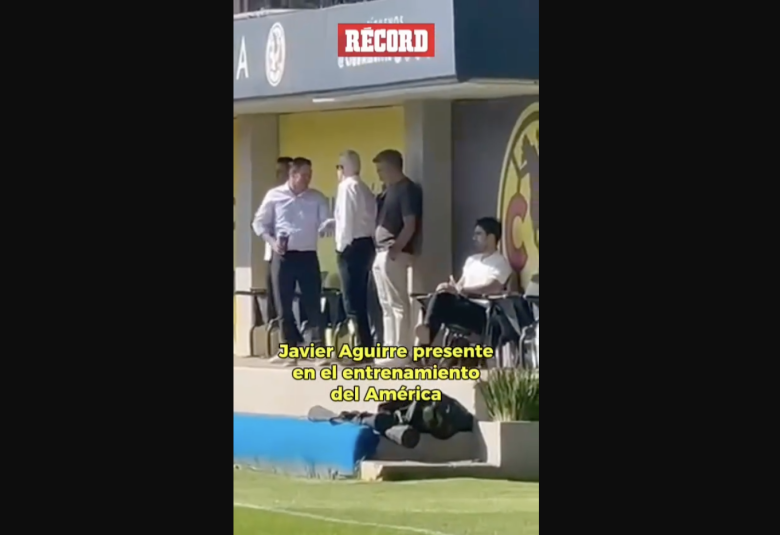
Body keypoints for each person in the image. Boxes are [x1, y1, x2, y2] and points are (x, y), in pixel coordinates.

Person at [252, 157, 330, 366]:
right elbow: (259, 223)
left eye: (309, 175)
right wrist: (271, 241)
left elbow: (325, 220)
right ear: (292, 175)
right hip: (283, 256)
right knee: (282, 304)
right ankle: (289, 350)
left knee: (312, 302)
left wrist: (325, 227)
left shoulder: (317, 198)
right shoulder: (274, 196)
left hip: (307, 255)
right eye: (303, 175)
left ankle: (318, 350)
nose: (307, 179)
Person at [415, 217, 513, 346]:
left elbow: (493, 287)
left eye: (478, 234)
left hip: (482, 311)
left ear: (491, 237)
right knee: (439, 297)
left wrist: (464, 290)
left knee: (440, 305)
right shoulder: (471, 260)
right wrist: (448, 287)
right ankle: (425, 335)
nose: (474, 238)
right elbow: (460, 284)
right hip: (463, 304)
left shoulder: (500, 262)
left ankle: (423, 343)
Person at [371, 149, 422, 357]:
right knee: (386, 304)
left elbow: (410, 223)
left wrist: (396, 248)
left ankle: (401, 352)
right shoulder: (389, 191)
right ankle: (390, 347)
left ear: (393, 167)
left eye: (381, 169)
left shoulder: (406, 189)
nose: (379, 174)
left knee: (398, 303)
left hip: (393, 253)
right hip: (381, 252)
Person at [334, 150, 377, 347]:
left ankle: (360, 346)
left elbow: (346, 221)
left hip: (352, 246)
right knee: (361, 298)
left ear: (344, 168)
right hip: (367, 245)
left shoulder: (346, 187)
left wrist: (342, 248)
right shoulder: (365, 188)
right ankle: (366, 343)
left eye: (339, 167)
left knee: (351, 299)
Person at [264, 157, 293, 321]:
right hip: (271, 254)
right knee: (272, 300)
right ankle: (276, 340)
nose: (278, 176)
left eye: (281, 172)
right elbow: (261, 223)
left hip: (289, 256)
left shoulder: (296, 198)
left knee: (285, 301)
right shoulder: (273, 196)